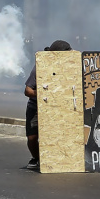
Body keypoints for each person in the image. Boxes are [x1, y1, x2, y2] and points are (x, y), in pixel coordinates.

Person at [24, 40, 72, 169]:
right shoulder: (40, 67)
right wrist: (44, 94)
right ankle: (36, 158)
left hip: (58, 106)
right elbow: (28, 91)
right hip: (36, 106)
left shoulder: (71, 67)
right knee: (32, 137)